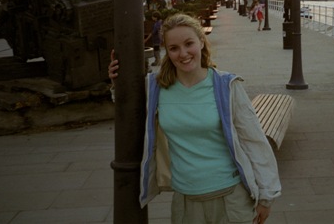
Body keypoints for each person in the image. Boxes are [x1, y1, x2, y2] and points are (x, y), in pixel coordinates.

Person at [108, 14, 281, 223]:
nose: (183, 54)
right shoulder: (156, 87)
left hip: (231, 200)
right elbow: (128, 108)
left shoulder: (226, 86)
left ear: (201, 41)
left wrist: (266, 196)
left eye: (188, 43)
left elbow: (253, 141)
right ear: (167, 51)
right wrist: (118, 82)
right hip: (185, 201)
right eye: (173, 48)